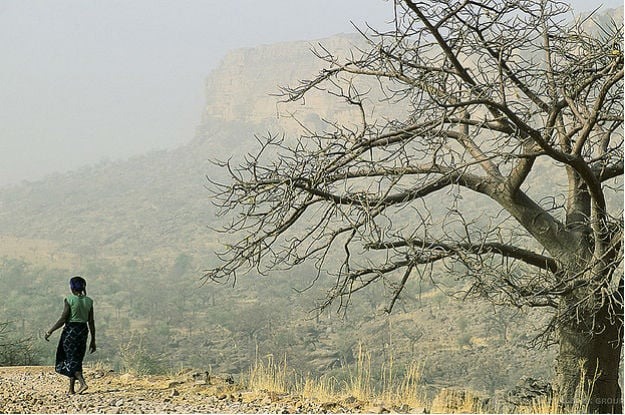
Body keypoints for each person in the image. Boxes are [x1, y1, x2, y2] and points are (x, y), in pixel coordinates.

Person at [44, 276, 96, 395]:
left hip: (71, 331)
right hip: (83, 331)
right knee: (76, 359)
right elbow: (91, 322)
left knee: (69, 358)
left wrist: (50, 331)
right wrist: (93, 339)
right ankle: (71, 389)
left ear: (72, 287)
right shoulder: (89, 301)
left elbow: (63, 319)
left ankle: (82, 383)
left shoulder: (69, 299)